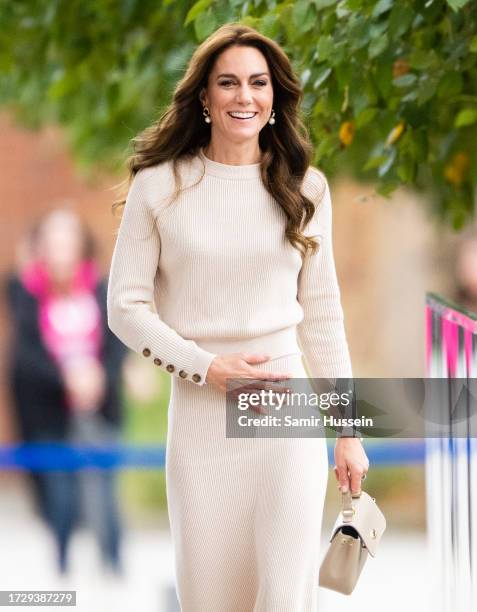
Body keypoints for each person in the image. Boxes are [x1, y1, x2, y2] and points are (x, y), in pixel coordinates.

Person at [107, 22, 369, 611]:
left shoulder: (306, 188)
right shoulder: (159, 187)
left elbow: (323, 319)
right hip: (201, 414)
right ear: (204, 97)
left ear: (275, 97)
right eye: (228, 83)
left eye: (258, 83)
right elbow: (124, 308)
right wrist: (206, 367)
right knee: (212, 598)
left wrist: (348, 432)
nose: (244, 96)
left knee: (285, 595)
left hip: (286, 413)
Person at [5, 208, 128, 575]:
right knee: (59, 492)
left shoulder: (102, 289)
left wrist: (97, 377)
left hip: (99, 402)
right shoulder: (26, 292)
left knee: (104, 487)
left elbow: (116, 343)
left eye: (67, 240)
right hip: (50, 408)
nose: (60, 249)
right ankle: (62, 566)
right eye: (53, 241)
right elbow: (25, 354)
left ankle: (113, 563)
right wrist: (67, 378)